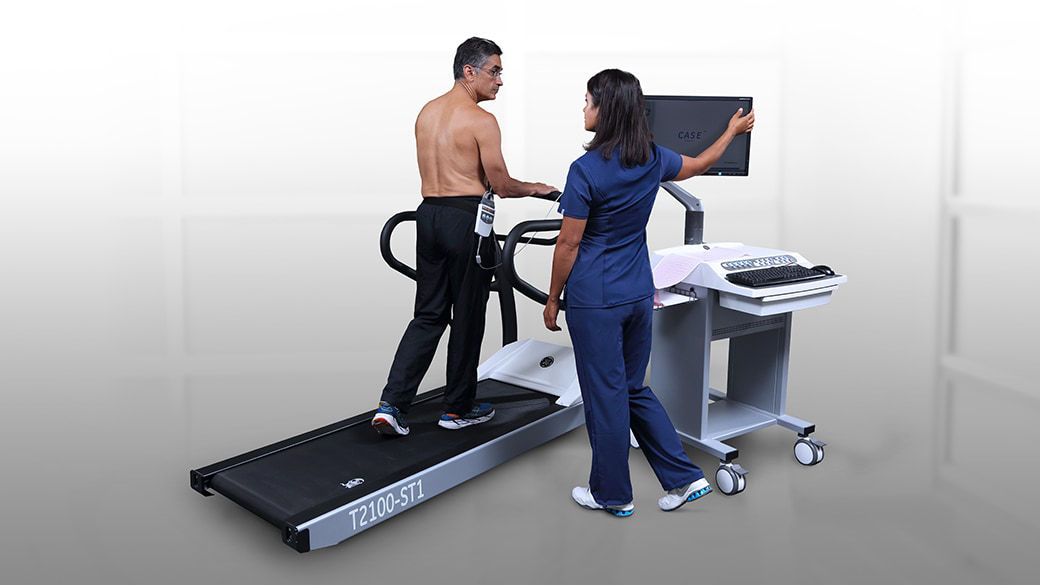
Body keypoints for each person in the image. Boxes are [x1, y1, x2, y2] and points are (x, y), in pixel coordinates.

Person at [543, 69, 754, 515]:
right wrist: (731, 132)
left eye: (587, 101)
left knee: (606, 399)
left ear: (606, 109)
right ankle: (685, 478)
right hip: (639, 294)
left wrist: (552, 296)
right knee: (634, 389)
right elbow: (699, 165)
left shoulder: (584, 170)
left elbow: (568, 243)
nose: (583, 108)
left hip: (595, 299)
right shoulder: (653, 158)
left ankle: (612, 495)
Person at [372, 37, 557, 436]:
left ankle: (392, 404)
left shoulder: (426, 112)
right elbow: (502, 185)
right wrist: (539, 188)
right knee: (468, 315)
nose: (500, 80)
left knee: (428, 313)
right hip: (467, 221)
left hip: (428, 216)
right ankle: (456, 408)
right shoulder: (481, 120)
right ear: (468, 71)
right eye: (494, 71)